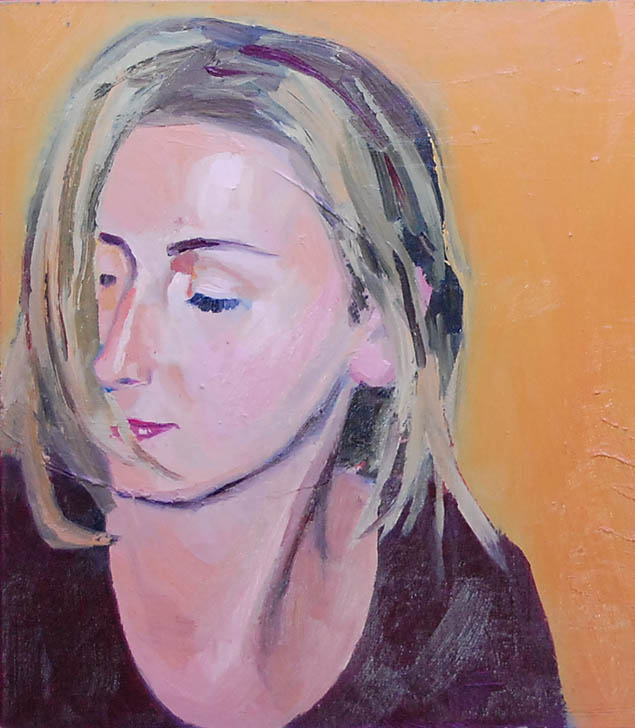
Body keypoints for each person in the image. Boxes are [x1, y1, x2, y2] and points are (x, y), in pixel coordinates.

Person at [0, 17, 566, 728]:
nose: (115, 359)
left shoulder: (456, 607)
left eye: (211, 295)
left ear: (380, 328)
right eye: (101, 280)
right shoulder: (16, 557)